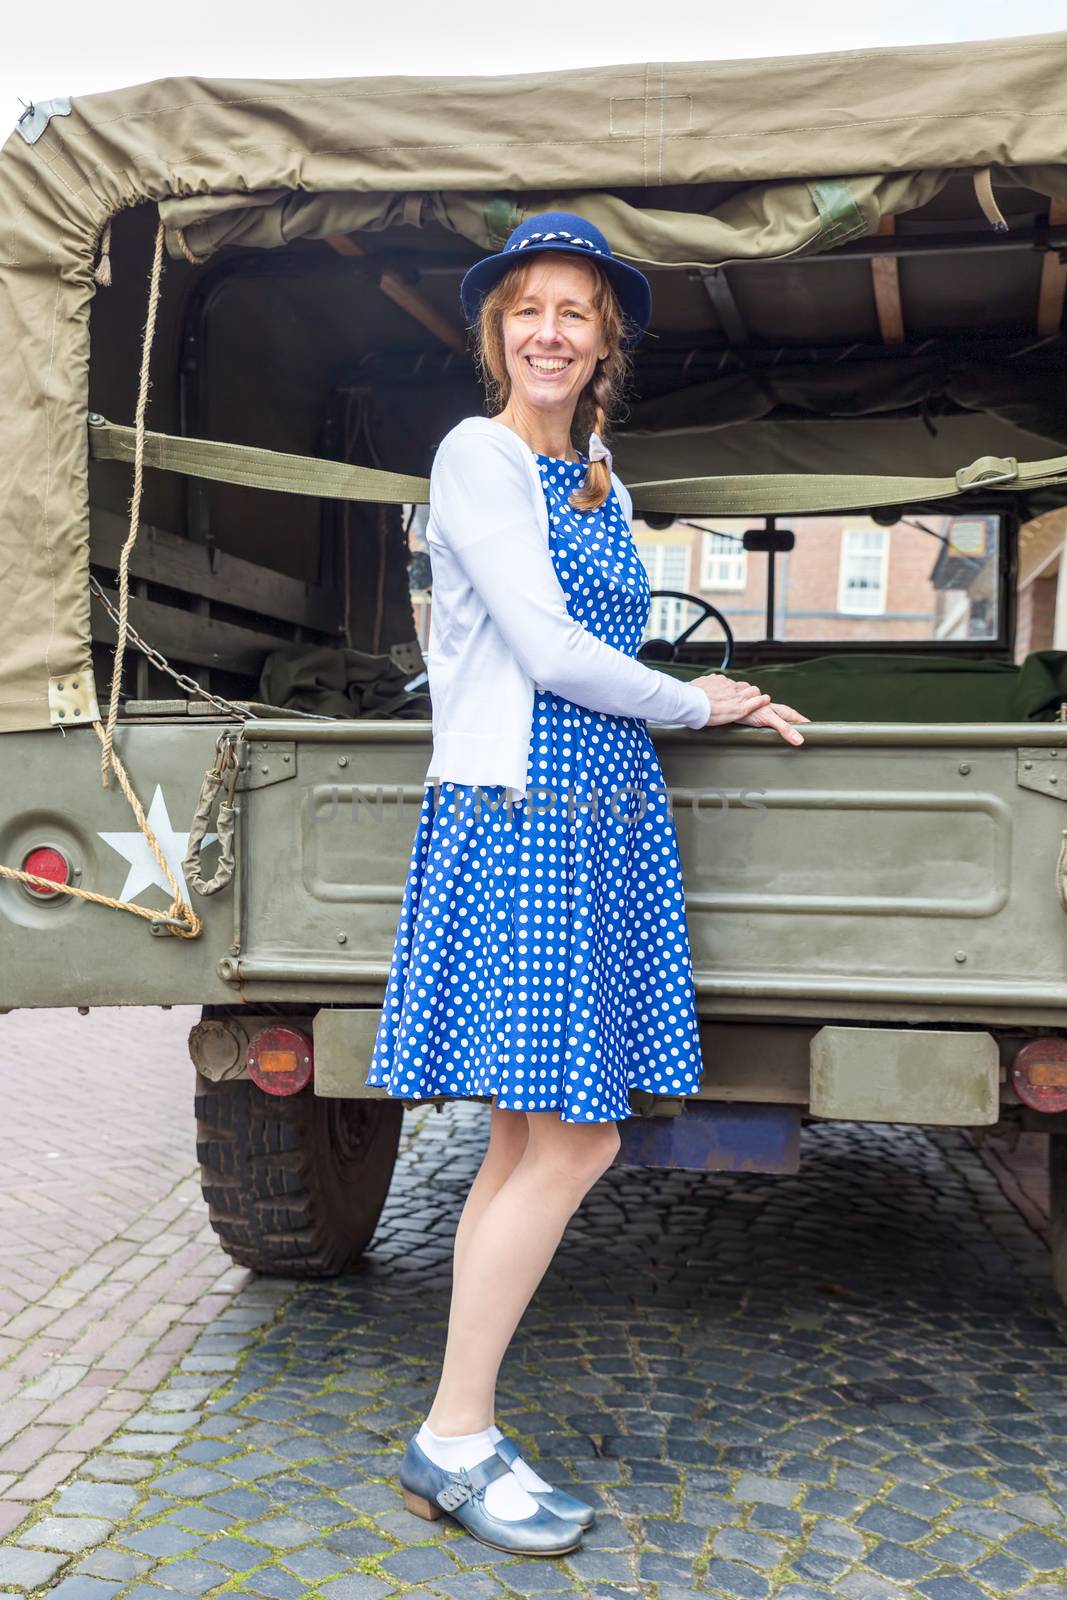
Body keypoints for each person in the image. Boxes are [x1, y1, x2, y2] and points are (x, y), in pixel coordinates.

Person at [364, 212, 809, 1556]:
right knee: (577, 1137)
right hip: (529, 811)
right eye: (526, 308)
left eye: (575, 309)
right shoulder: (480, 457)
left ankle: (462, 1428)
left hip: (599, 815)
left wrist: (700, 689)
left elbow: (609, 637)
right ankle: (453, 1435)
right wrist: (695, 704)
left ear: (606, 337)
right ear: (496, 331)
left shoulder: (597, 467)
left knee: (524, 1137)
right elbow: (553, 654)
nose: (549, 330)